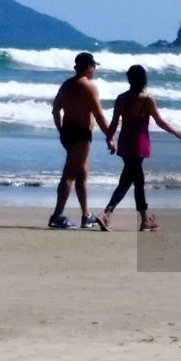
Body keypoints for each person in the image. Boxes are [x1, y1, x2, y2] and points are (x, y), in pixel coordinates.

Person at [99, 63, 181, 231]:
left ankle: (142, 219)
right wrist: (175, 132)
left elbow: (114, 124)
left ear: (129, 79)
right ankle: (109, 214)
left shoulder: (121, 99)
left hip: (125, 142)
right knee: (135, 181)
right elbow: (160, 122)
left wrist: (109, 139)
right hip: (139, 143)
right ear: (144, 80)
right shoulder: (147, 100)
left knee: (132, 179)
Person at [48, 52, 111, 230]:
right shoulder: (89, 87)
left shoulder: (67, 84)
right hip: (81, 134)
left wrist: (60, 131)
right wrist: (109, 136)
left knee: (81, 174)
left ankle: (86, 215)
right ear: (89, 67)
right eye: (94, 67)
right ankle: (57, 215)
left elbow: (55, 110)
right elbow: (98, 115)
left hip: (68, 132)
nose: (95, 70)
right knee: (69, 175)